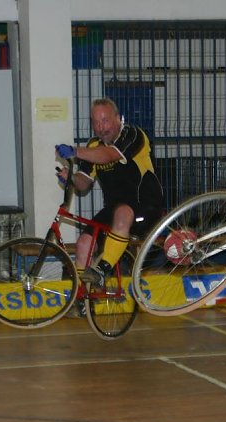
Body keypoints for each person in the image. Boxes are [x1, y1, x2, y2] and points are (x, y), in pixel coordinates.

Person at [55, 98, 164, 294]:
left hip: (145, 207)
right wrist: (70, 177)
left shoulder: (133, 134)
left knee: (123, 213)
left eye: (105, 120)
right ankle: (80, 299)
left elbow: (109, 155)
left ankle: (102, 270)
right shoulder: (94, 145)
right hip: (113, 208)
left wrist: (75, 151)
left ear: (117, 118)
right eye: (96, 122)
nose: (101, 127)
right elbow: (84, 183)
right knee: (84, 243)